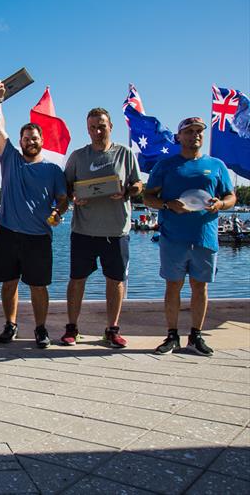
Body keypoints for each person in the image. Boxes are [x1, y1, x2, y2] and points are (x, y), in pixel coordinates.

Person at [144, 117, 235, 356]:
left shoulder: (216, 165)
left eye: (199, 132)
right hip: (173, 236)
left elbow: (231, 197)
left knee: (200, 286)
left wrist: (221, 204)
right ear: (179, 137)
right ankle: (172, 335)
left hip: (205, 236)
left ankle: (196, 336)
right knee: (173, 285)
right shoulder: (166, 165)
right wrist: (167, 204)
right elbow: (147, 198)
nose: (195, 135)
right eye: (189, 131)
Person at [0, 86, 69, 348]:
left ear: (41, 141)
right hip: (7, 233)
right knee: (8, 283)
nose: (30, 141)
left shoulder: (53, 169)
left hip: (38, 237)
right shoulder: (10, 157)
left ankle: (40, 328)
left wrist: (58, 212)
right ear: (20, 140)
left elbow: (63, 199)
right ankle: (10, 325)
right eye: (26, 137)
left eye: (34, 138)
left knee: (38, 286)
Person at [63, 108, 142, 348]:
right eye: (93, 128)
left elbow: (138, 184)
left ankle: (112, 329)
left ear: (111, 126)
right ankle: (72, 328)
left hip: (116, 231)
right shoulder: (78, 156)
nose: (97, 131)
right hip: (83, 231)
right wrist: (74, 196)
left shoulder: (125, 154)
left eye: (102, 126)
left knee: (115, 281)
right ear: (87, 130)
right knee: (77, 280)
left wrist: (127, 191)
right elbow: (65, 188)